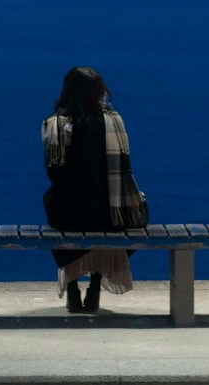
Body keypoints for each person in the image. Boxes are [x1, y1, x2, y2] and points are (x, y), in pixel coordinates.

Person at [41, 66, 147, 314]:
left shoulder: (56, 124)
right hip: (110, 213)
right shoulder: (115, 122)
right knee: (106, 215)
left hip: (70, 215)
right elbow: (124, 167)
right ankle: (95, 286)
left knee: (55, 203)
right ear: (100, 92)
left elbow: (53, 173)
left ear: (67, 91)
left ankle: (73, 288)